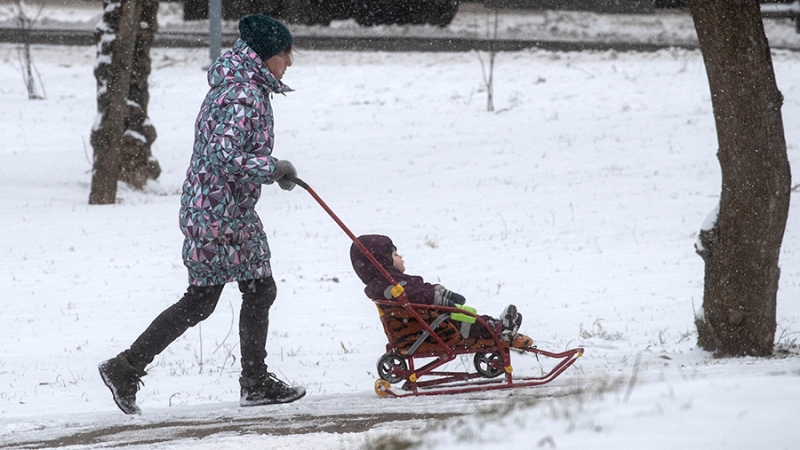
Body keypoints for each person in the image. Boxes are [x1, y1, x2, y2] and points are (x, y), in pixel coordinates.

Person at [98, 14, 305, 415]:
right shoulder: (242, 94)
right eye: (285, 54)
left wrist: (270, 169)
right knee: (205, 300)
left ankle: (254, 382)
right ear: (265, 56)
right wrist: (271, 168)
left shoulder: (243, 87)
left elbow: (230, 154)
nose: (289, 63)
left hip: (225, 208)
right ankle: (127, 367)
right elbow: (223, 155)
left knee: (255, 290)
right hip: (216, 212)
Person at [350, 234, 534, 349]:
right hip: (432, 328)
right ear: (383, 261)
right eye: (395, 254)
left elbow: (421, 287)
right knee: (466, 322)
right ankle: (499, 331)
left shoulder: (391, 282)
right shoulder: (389, 286)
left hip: (428, 322)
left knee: (468, 315)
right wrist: (443, 301)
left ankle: (498, 326)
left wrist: (443, 293)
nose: (400, 256)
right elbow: (416, 296)